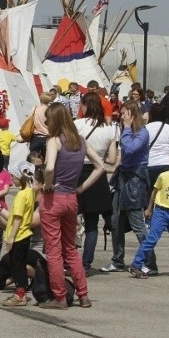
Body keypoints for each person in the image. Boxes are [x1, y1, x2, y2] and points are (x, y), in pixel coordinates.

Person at [38, 102, 108, 309]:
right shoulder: (80, 141)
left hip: (54, 199)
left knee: (53, 250)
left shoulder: (54, 141)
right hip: (71, 198)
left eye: (48, 120)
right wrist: (80, 188)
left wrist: (47, 185)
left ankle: (59, 297)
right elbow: (101, 166)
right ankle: (83, 295)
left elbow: (50, 167)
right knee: (70, 248)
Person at [101, 100, 156, 275]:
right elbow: (121, 153)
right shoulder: (127, 131)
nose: (122, 117)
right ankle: (117, 259)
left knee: (137, 223)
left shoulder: (142, 133)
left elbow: (130, 149)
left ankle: (150, 262)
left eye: (124, 113)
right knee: (116, 221)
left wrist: (125, 129)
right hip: (123, 178)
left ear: (132, 115)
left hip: (135, 180)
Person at [74, 92, 119, 271]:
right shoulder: (110, 128)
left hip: (78, 171)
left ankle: (68, 260)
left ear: (85, 106)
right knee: (92, 224)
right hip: (97, 174)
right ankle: (86, 263)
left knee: (70, 220)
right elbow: (113, 159)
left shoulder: (77, 124)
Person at [129, 150, 169, 279]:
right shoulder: (164, 176)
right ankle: (136, 265)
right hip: (161, 212)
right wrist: (149, 209)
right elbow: (154, 192)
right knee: (151, 240)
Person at [0, 166, 41, 307]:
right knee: (20, 265)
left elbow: (17, 217)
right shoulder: (30, 192)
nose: (12, 180)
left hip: (19, 235)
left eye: (13, 177)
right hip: (25, 234)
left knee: (17, 265)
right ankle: (20, 293)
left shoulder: (22, 194)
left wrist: (11, 236)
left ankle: (20, 295)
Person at [28, 92, 53, 157]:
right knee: (47, 159)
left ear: (40, 99)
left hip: (36, 137)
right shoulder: (51, 110)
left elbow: (30, 120)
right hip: (48, 137)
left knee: (33, 159)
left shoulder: (34, 108)